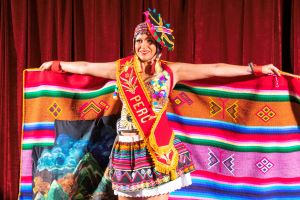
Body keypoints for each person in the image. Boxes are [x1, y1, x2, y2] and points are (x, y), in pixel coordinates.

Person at [40, 8, 280, 200]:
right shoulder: (122, 69)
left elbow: (214, 69)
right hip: (125, 148)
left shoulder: (170, 71)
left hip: (156, 148)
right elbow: (85, 66)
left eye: (149, 41)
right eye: (138, 40)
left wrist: (254, 68)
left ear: (158, 46)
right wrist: (57, 64)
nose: (143, 46)